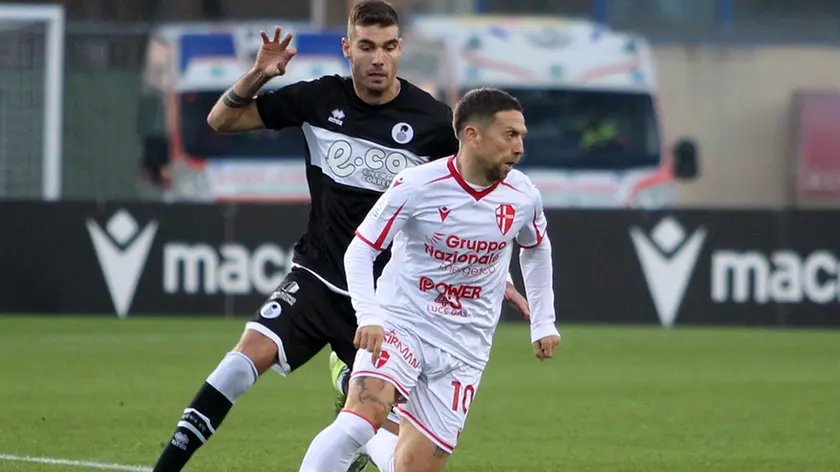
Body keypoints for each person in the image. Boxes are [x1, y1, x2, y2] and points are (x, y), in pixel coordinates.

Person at [150, 2, 529, 471]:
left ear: (399, 51)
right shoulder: (318, 99)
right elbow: (221, 121)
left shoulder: (434, 123)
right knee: (237, 364)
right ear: (347, 48)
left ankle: (352, 428)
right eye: (366, 47)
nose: (377, 59)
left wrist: (496, 267)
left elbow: (476, 194)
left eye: (388, 47)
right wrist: (258, 75)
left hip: (388, 303)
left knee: (391, 446)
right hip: (316, 278)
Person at [297, 87, 562, 472]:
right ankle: (362, 431)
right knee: (358, 419)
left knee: (411, 467)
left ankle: (373, 444)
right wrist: (369, 315)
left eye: (522, 136)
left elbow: (536, 248)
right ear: (472, 135)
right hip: (402, 322)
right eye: (510, 135)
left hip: (465, 346)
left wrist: (543, 321)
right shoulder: (416, 185)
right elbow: (361, 249)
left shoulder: (523, 195)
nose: (519, 147)